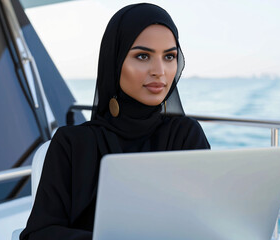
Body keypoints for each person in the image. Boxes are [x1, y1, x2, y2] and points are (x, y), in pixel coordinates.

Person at [20, 3, 210, 239]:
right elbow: (38, 233)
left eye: (169, 56)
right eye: (143, 56)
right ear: (115, 60)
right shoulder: (72, 144)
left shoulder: (185, 135)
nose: (159, 70)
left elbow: (206, 223)